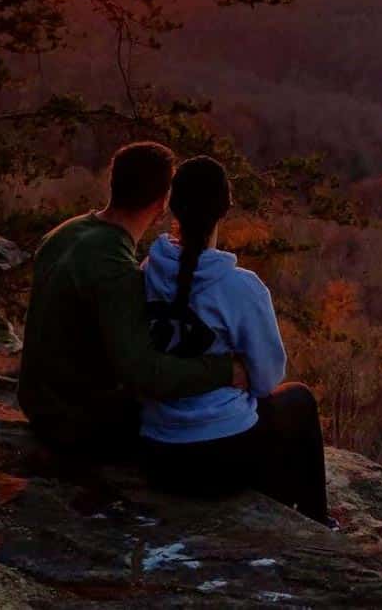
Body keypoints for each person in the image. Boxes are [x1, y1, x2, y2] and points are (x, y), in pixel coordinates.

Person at [17, 141, 247, 459]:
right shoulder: (116, 269)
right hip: (78, 423)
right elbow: (145, 372)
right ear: (162, 203)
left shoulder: (64, 233)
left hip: (39, 402)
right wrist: (225, 371)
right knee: (221, 420)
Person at [139, 155, 330, 526]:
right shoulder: (240, 287)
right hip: (218, 463)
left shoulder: (147, 271)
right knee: (298, 401)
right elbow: (266, 380)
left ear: (171, 206)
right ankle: (316, 523)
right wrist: (232, 374)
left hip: (156, 455)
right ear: (225, 208)